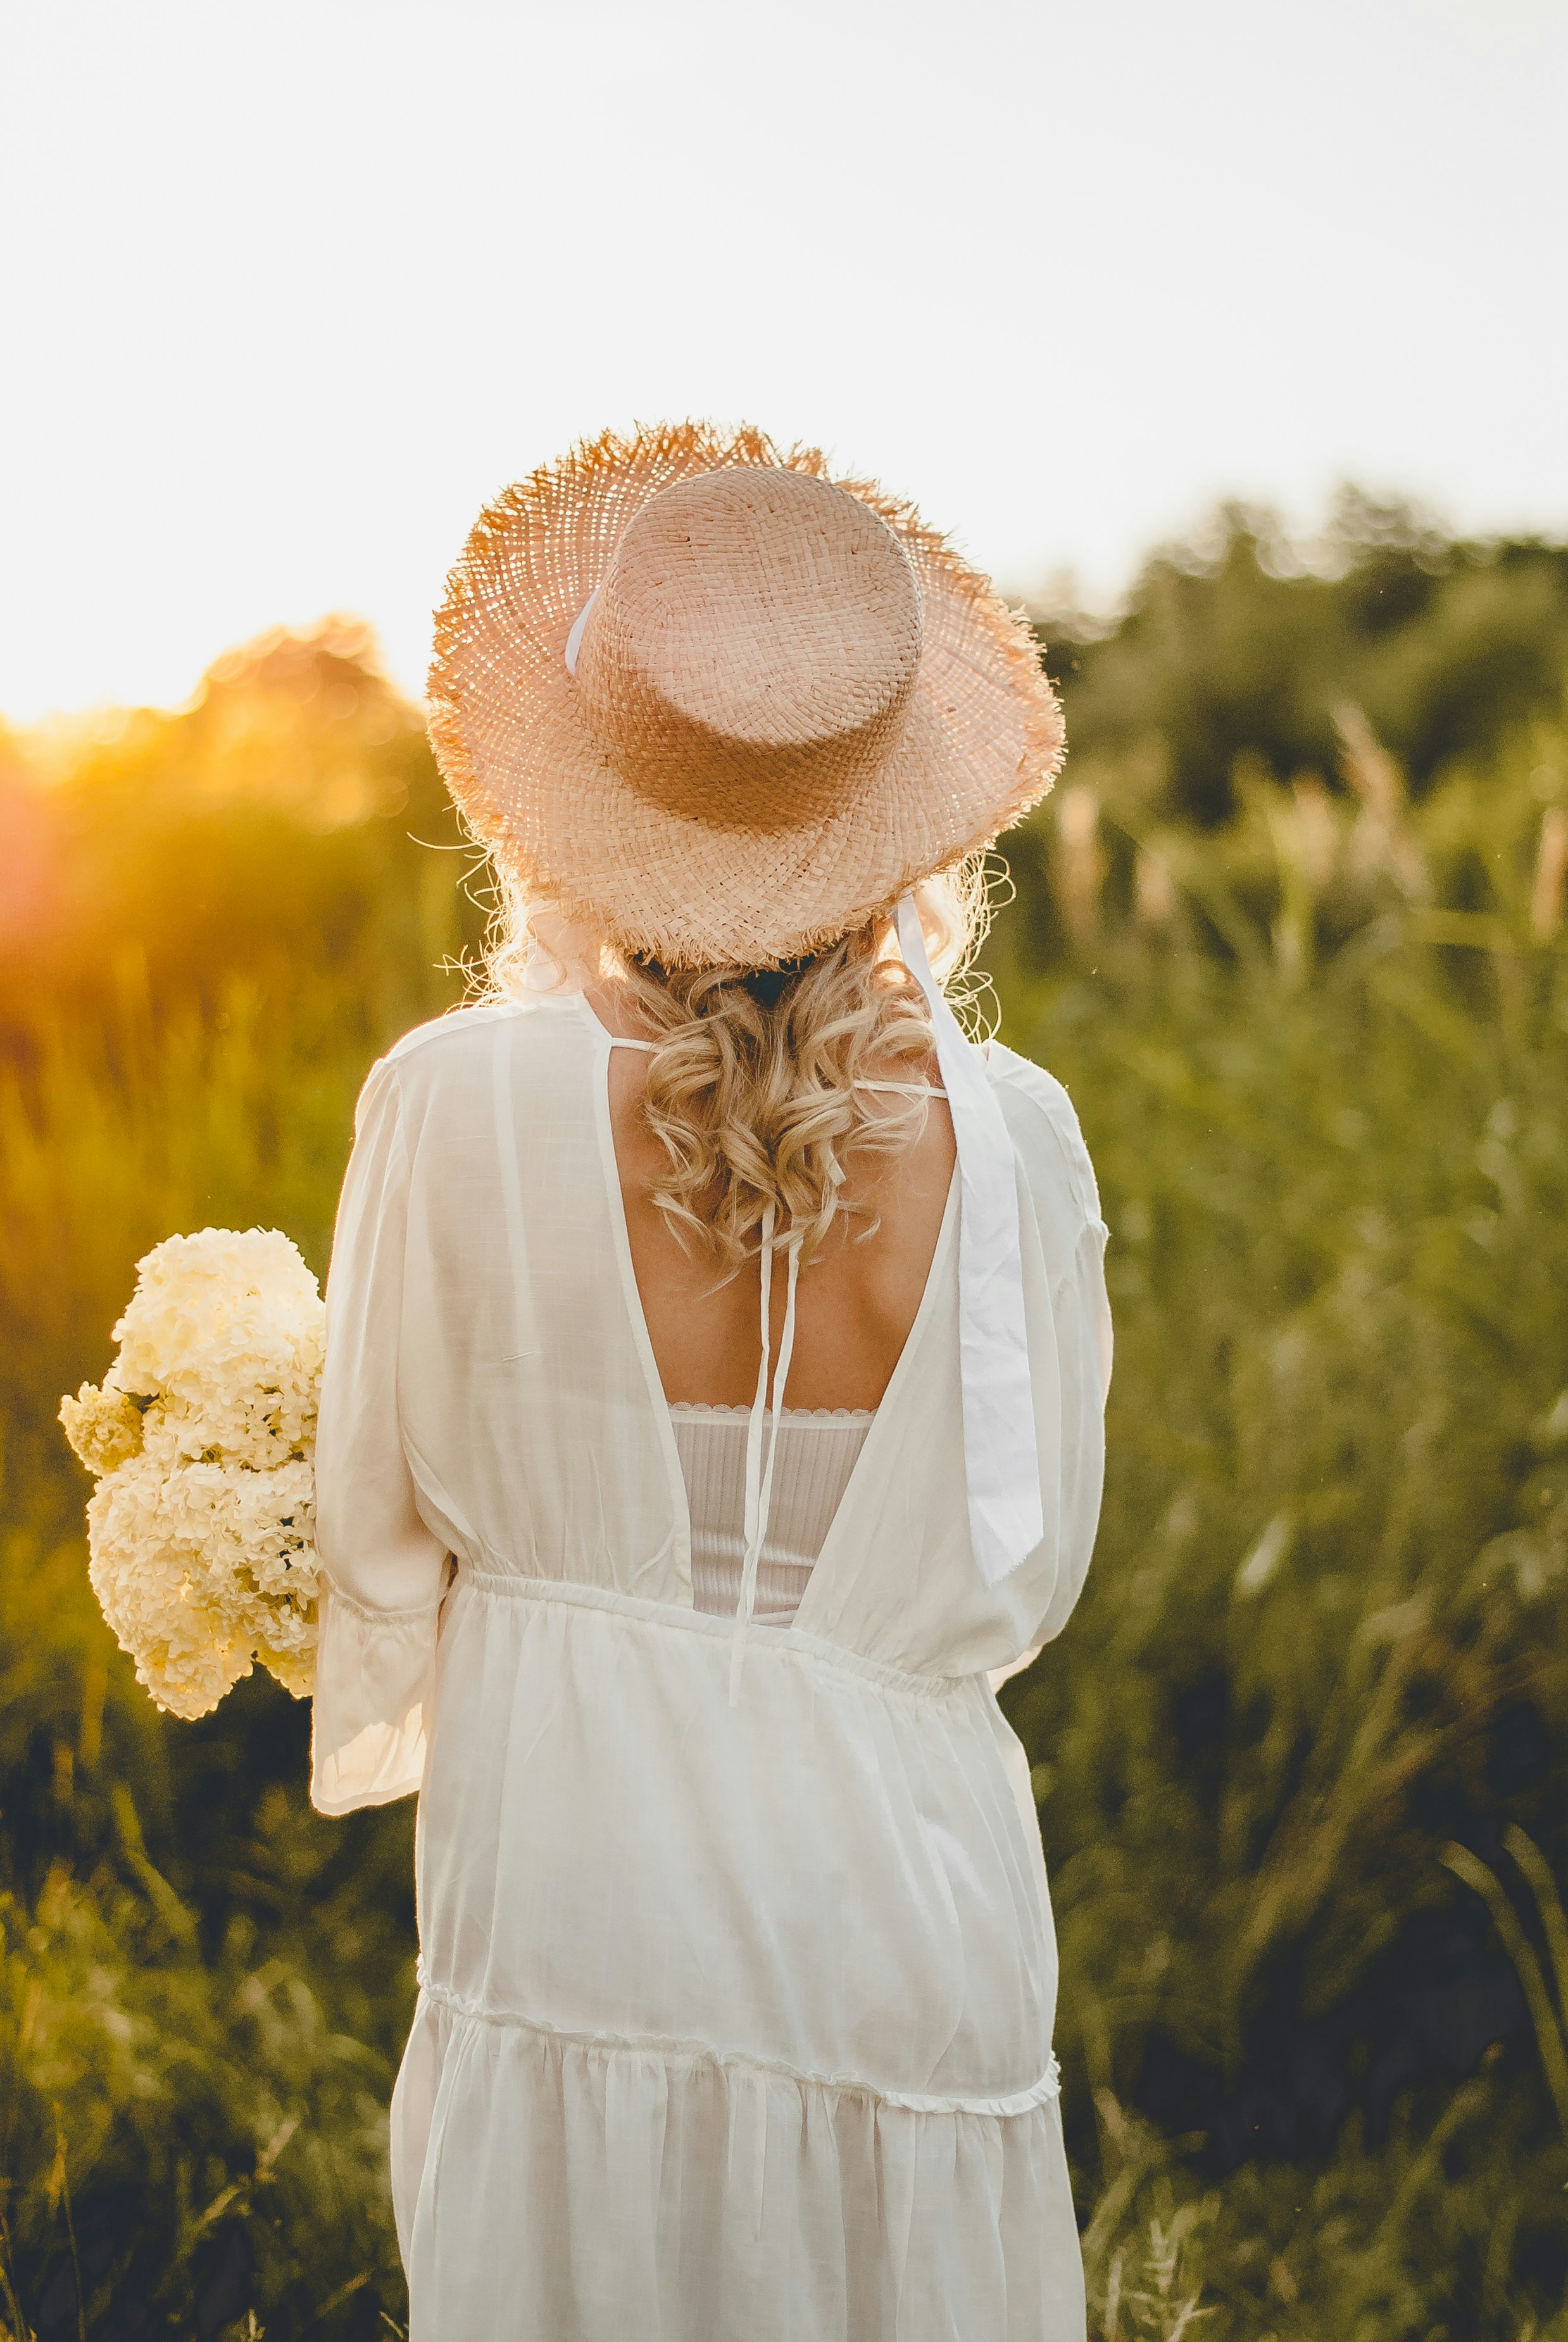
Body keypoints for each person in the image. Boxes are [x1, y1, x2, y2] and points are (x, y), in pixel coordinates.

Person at [308, 423, 1112, 2340]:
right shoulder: (1024, 1148)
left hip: (573, 1892)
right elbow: (1029, 1567)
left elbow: (374, 1543)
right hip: (911, 1927)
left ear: (582, 796)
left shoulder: (449, 1102)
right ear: (894, 813)